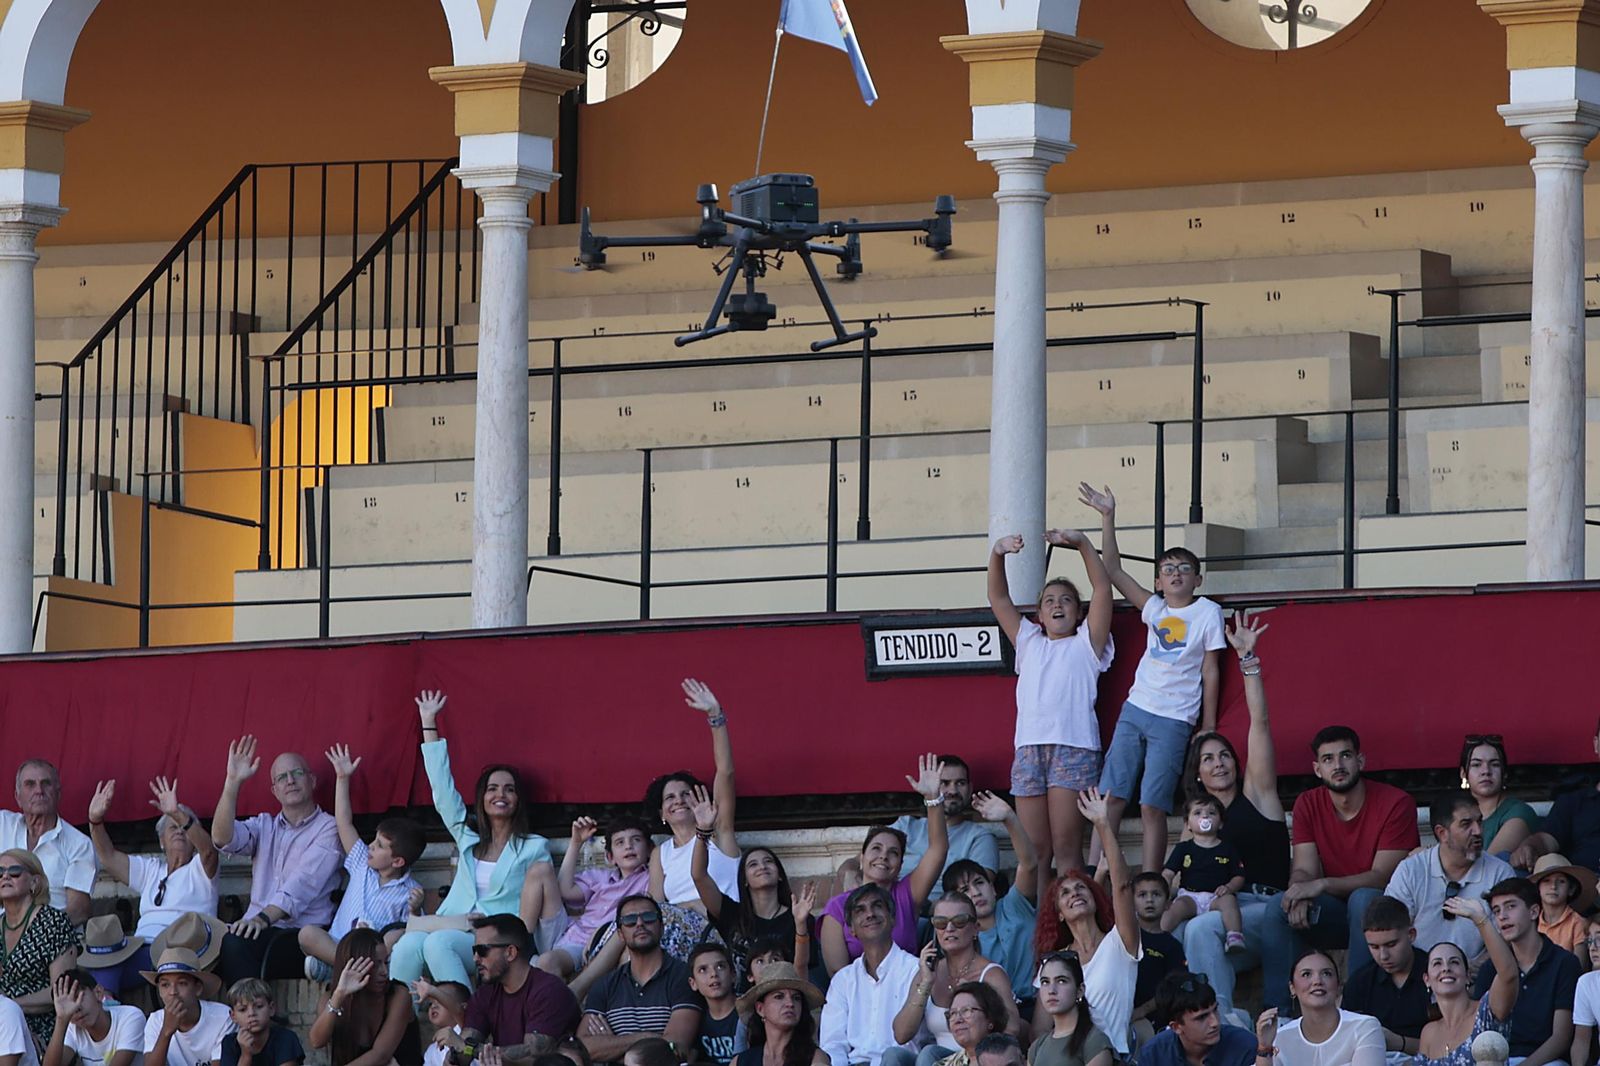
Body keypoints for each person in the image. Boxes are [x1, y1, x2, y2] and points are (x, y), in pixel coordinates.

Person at [1078, 484, 1226, 874]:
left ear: (1198, 579)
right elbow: (1112, 570)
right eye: (1168, 570)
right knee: (1110, 796)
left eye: (1184, 569)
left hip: (1175, 718)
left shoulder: (1208, 612)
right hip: (1136, 708)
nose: (1176, 574)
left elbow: (1211, 668)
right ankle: (1096, 872)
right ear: (1158, 581)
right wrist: (1108, 517)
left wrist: (1208, 724)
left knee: (1152, 804)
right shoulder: (1154, 608)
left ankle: (1150, 879)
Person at [393, 691, 555, 989]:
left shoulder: (534, 847)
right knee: (407, 945)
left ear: (518, 800)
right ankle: (402, 1015)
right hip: (454, 922)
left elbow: (539, 906)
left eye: (509, 789)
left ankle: (463, 1014)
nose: (500, 795)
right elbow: (442, 791)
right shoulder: (467, 838)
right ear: (481, 798)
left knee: (438, 944)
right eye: (492, 788)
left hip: (494, 940)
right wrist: (429, 723)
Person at [1258, 725, 1418, 1008]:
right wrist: (1299, 891)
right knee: (1277, 908)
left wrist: (1320, 884)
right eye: (1328, 759)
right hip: (1334, 914)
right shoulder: (1308, 803)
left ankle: (1357, 1008)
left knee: (1364, 899)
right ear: (1317, 769)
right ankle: (1280, 1014)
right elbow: (1304, 868)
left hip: (1383, 915)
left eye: (1345, 755)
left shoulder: (1395, 802)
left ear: (1360, 761)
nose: (1338, 765)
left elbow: (1382, 878)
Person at [987, 528, 1113, 879]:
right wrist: (998, 553)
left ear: (1079, 612)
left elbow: (1103, 589)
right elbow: (998, 598)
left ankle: (1074, 915)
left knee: (1066, 848)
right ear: (1039, 616)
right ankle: (1042, 916)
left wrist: (1082, 543)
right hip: (1029, 749)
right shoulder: (1029, 640)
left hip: (1074, 747)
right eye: (1050, 601)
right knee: (1036, 852)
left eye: (1066, 600)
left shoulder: (1088, 643)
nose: (1058, 605)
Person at [1177, 614, 1285, 1019]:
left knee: (1200, 928)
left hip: (1266, 909)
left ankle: (1214, 1021)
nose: (1219, 762)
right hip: (1221, 920)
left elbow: (1261, 723)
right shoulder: (1195, 823)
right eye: (1208, 758)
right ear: (1198, 774)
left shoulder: (1258, 795)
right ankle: (1207, 1020)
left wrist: (1247, 661)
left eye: (1224, 755)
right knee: (1176, 930)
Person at [210, 736, 343, 985]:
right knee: (206, 952)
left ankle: (254, 1008)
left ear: (312, 781)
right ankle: (247, 1006)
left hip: (300, 937)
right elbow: (221, 837)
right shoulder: (264, 825)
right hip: (258, 931)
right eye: (282, 777)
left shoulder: (329, 828)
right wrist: (232, 782)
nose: (290, 781)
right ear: (274, 791)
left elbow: (302, 884)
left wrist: (261, 919)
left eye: (297, 773)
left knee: (236, 944)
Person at [298, 745, 425, 981]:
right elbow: (344, 823)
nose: (371, 847)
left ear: (397, 861)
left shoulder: (410, 891)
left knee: (396, 936)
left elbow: (414, 932)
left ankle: (336, 970)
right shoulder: (361, 864)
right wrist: (342, 778)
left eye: (379, 846)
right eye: (373, 841)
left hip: (374, 954)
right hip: (340, 944)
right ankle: (345, 967)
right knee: (307, 934)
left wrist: (416, 909)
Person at [1034, 789, 1142, 1061]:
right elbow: (1040, 1029)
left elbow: (1123, 886)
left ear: (1096, 898)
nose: (1075, 894)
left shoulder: (1120, 943)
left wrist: (1103, 824)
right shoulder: (1055, 962)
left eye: (1081, 888)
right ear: (1059, 914)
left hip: (1113, 1057)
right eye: (1065, 893)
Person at [85, 777, 218, 990]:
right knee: (100, 958)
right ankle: (107, 1003)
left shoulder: (200, 869)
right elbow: (108, 857)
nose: (179, 831)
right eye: (172, 827)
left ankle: (106, 1004)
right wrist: (95, 821)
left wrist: (177, 813)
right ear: (161, 841)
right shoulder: (151, 869)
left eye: (184, 828)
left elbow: (209, 851)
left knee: (106, 972)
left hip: (180, 951)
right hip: (140, 948)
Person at [820, 755, 948, 973]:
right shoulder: (838, 906)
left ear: (900, 865)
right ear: (862, 858)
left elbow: (938, 849)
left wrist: (933, 798)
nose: (883, 856)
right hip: (857, 992)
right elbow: (838, 974)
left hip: (909, 989)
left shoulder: (907, 894)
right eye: (876, 849)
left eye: (893, 852)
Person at [689, 791, 815, 982]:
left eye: (768, 862)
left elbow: (802, 971)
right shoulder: (732, 913)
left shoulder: (800, 917)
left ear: (780, 875)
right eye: (753, 864)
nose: (762, 867)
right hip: (741, 997)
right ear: (745, 879)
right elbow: (699, 876)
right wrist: (703, 830)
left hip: (783, 995)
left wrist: (801, 925)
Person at [1384, 791, 1513, 964]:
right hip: (1419, 972)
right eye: (1466, 824)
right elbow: (1392, 931)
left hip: (1480, 973)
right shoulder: (1410, 870)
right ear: (1442, 833)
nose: (1478, 831)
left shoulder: (1501, 873)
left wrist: (1480, 967)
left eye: (1479, 822)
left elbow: (1509, 936)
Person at [647, 680, 742, 912]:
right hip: (677, 926)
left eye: (685, 794)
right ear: (662, 813)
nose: (678, 800)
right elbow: (656, 907)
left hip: (720, 924)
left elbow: (726, 772)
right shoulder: (661, 854)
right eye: (669, 798)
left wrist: (715, 716)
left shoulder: (718, 833)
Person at [894, 894, 1020, 1066]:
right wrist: (926, 983)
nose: (949, 928)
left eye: (959, 921)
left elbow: (1012, 1029)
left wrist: (977, 997)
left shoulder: (991, 974)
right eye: (940, 922)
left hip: (974, 1057)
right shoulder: (929, 971)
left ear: (975, 928)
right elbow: (901, 1034)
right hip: (938, 1061)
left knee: (929, 1053)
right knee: (894, 1056)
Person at [940, 793, 1039, 1014]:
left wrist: (1009, 818)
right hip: (993, 1016)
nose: (976, 893)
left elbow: (1030, 864)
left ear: (993, 888)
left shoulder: (1014, 905)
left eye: (979, 883)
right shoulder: (957, 935)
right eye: (965, 890)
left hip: (1039, 1005)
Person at [435, 915, 580, 1063]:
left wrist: (468, 1048)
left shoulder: (549, 991)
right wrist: (455, 1055)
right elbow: (465, 1047)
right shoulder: (485, 994)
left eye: (482, 950)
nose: (475, 958)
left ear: (510, 952)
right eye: (474, 951)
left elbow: (534, 1056)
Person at [1471, 877, 1580, 1065]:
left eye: (1510, 906)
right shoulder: (1490, 968)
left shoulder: (1565, 963)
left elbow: (1561, 1037)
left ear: (1534, 911)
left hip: (1547, 1061)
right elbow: (1479, 1030)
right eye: (1496, 911)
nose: (1502, 916)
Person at [580, 896, 701, 1064]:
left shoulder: (683, 976)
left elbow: (674, 1048)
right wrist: (646, 1037)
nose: (639, 924)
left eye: (648, 917)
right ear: (621, 934)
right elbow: (583, 1049)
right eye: (629, 920)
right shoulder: (606, 985)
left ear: (662, 928)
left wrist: (611, 1045)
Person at [819, 884, 923, 1066]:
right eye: (860, 910)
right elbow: (833, 1044)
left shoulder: (916, 970)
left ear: (893, 919)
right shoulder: (843, 980)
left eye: (877, 906)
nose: (870, 914)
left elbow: (911, 1043)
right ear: (851, 929)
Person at [1411, 897, 1518, 1066]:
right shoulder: (1429, 1032)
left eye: (1454, 962)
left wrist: (1481, 921)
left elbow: (1509, 974)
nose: (1446, 968)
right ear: (1427, 980)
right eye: (1437, 963)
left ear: (1467, 975)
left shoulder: (1487, 1011)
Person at [544, 817, 652, 980]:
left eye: (636, 840)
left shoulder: (650, 879)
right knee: (547, 962)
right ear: (610, 857)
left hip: (614, 946)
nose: (628, 846)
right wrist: (576, 843)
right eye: (620, 843)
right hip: (578, 941)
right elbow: (566, 891)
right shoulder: (599, 877)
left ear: (650, 849)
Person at [0, 849, 82, 1047]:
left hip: (45, 1028)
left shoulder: (54, 922)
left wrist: (10, 1006)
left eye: (14, 872)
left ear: (34, 882)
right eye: (0, 872)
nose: (5, 876)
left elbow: (60, 991)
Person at [307, 928, 422, 1066]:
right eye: (376, 964)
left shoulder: (398, 995)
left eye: (385, 962)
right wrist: (339, 995)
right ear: (353, 966)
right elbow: (316, 1042)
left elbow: (381, 1055)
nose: (384, 972)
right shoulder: (330, 999)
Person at [891, 757, 999, 902]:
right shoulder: (905, 826)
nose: (953, 791)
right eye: (944, 783)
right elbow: (866, 864)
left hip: (946, 913)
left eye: (960, 783)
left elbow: (979, 895)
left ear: (970, 789)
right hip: (892, 907)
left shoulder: (979, 838)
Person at [0, 760, 93, 928]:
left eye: (46, 783)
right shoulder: (3, 824)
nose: (39, 791)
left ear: (58, 794)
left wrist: (37, 933)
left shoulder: (79, 845)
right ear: (17, 797)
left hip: (51, 936)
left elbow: (79, 910)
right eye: (30, 784)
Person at [1255, 950, 1384, 1065]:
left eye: (1326, 974)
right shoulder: (1279, 1037)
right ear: (1292, 988)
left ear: (1338, 985)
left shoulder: (1364, 1027)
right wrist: (1264, 1048)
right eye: (1306, 974)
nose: (1317, 981)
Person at [1341, 897, 1430, 1061]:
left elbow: (1454, 1044)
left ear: (1411, 934)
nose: (1383, 956)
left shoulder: (1437, 974)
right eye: (1374, 947)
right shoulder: (1359, 983)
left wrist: (1399, 1043)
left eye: (1391, 944)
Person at [1512, 719, 1600, 874]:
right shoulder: (1574, 801)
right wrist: (1530, 847)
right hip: (1585, 884)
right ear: (1596, 744)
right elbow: (1546, 840)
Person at [1160, 796, 1244, 952]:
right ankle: (1157, 935)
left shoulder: (1228, 848)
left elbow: (1239, 876)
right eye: (1197, 813)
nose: (1205, 816)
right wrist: (1163, 892)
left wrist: (1229, 888)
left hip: (1216, 897)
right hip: (1190, 896)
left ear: (1221, 823)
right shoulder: (1183, 848)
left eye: (1211, 813)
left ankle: (1234, 936)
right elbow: (1168, 873)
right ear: (1188, 824)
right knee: (1176, 908)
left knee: (1230, 902)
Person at [1134, 972, 1258, 1066]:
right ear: (1176, 1027)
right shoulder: (1153, 1054)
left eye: (1215, 1010)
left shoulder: (1245, 1046)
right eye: (1201, 1017)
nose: (1215, 1023)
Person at [143, 947, 235, 1066]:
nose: (173, 992)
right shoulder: (155, 1020)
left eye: (182, 983)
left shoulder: (223, 1017)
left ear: (198, 988)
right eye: (165, 985)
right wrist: (166, 1031)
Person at [41, 968, 144, 1066]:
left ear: (98, 992)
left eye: (79, 997)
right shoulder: (73, 1027)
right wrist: (61, 1020)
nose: (76, 1008)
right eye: (68, 1005)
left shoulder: (130, 1017)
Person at [1460, 736, 1538, 862]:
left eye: (1495, 764)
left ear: (1504, 773)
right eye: (1476, 764)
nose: (1486, 771)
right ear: (1463, 773)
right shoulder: (1455, 813)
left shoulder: (1519, 812)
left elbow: (1488, 866)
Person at [731, 962, 826, 1066]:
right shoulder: (741, 1062)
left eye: (796, 998)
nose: (790, 1003)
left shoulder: (816, 1058)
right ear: (760, 1009)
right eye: (779, 997)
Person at [1027, 951, 1113, 1066]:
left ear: (1080, 990)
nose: (1051, 990)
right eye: (1045, 982)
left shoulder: (1094, 1042)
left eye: (1061, 981)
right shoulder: (1037, 1047)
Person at [1130, 874, 1186, 1041]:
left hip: (1154, 1023)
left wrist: (1142, 1010)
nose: (1149, 900)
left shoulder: (1172, 946)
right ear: (1131, 902)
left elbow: (1174, 987)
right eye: (1142, 895)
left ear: (1168, 904)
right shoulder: (1123, 936)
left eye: (1156, 894)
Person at [220, 978, 303, 1066]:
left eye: (259, 1006)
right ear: (233, 1016)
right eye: (243, 1009)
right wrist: (246, 1055)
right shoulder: (229, 1043)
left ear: (271, 1008)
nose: (251, 1013)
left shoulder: (285, 1038)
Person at [1530, 855, 1596, 960]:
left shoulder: (1578, 923)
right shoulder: (1531, 922)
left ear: (1571, 889)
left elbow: (1579, 964)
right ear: (1538, 888)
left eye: (1561, 881)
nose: (1553, 886)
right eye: (1547, 881)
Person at [933, 983, 1009, 1066]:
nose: (958, 1019)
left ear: (990, 1018)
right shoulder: (944, 1065)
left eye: (966, 1010)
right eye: (953, 1013)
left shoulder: (1010, 1058)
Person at [688, 944, 740, 1066]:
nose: (713, 974)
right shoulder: (696, 1020)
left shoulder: (750, 1012)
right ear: (693, 983)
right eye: (703, 969)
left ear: (733, 975)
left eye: (720, 966)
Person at [1568, 917, 1600, 1065]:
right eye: (1590, 941)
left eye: (1599, 940)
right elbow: (1581, 1041)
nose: (1593, 947)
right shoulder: (1587, 983)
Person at [417, 980, 470, 1066]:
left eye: (441, 1000)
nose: (433, 1006)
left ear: (463, 1007)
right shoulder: (431, 1050)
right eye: (430, 1003)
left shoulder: (470, 1034)